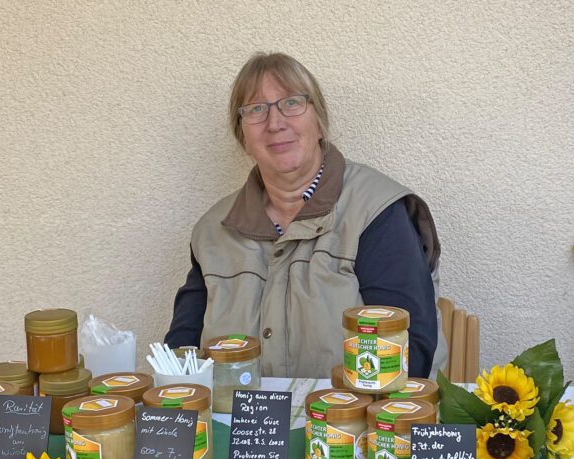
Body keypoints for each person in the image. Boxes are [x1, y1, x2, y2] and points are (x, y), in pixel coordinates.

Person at [165, 52, 446, 379]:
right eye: (256, 109)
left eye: (292, 103)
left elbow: (410, 352)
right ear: (242, 137)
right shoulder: (214, 231)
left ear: (319, 122)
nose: (275, 123)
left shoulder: (375, 211)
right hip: (235, 426)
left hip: (352, 425)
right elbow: (179, 355)